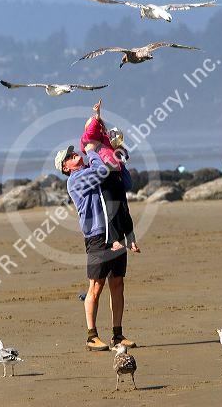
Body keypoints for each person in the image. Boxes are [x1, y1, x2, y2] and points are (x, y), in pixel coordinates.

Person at [54, 143, 140, 351]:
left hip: (115, 233)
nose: (76, 154)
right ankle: (91, 336)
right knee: (96, 286)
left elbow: (124, 184)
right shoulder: (76, 179)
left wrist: (118, 156)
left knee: (117, 283)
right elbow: (101, 171)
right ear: (66, 167)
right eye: (70, 155)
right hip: (96, 236)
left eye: (75, 152)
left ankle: (117, 335)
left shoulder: (93, 169)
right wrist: (92, 150)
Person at [80, 99, 139, 252]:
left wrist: (120, 149)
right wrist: (96, 115)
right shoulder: (89, 141)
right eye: (95, 124)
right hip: (105, 175)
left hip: (117, 174)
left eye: (100, 124)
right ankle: (115, 241)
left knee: (124, 209)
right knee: (111, 209)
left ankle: (131, 239)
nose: (99, 126)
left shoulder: (106, 140)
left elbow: (124, 155)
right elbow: (92, 130)